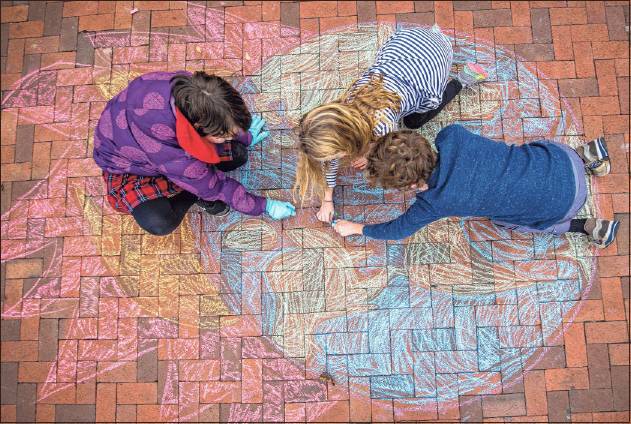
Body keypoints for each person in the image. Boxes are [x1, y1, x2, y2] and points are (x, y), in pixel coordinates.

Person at [294, 26, 488, 222]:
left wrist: (370, 155)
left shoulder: (384, 126)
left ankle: (461, 81)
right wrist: (327, 199)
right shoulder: (344, 109)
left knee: (414, 121)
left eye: (336, 154)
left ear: (349, 140)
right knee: (402, 116)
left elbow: (380, 152)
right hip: (408, 42)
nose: (333, 159)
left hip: (433, 62)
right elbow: (332, 162)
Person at [332, 125, 619, 248]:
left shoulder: (436, 201)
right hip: (561, 159)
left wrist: (357, 228)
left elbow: (398, 230)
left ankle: (586, 226)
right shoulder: (452, 135)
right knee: (525, 153)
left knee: (506, 221)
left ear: (409, 185)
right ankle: (585, 155)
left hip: (563, 206)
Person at [93, 71, 295, 236]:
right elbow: (217, 184)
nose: (229, 138)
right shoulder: (172, 153)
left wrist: (244, 137)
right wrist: (264, 205)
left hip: (151, 147)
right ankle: (193, 193)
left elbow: (223, 116)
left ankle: (194, 185)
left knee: (237, 154)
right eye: (223, 136)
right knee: (159, 222)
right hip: (131, 166)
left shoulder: (192, 92)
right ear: (199, 128)